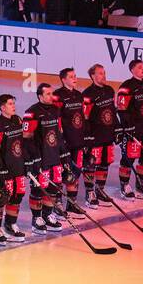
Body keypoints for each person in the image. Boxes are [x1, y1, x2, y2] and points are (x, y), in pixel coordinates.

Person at [0, 93, 28, 245]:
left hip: (18, 166)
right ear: (3, 107)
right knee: (1, 197)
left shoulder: (17, 120)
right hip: (4, 169)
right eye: (10, 104)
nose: (13, 106)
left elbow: (22, 144)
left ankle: (10, 224)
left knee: (18, 195)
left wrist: (27, 162)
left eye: (13, 103)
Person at [22, 83, 64, 233]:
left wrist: (63, 153)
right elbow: (26, 138)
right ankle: (36, 219)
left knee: (53, 187)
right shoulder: (31, 113)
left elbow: (58, 133)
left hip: (54, 156)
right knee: (39, 189)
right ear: (40, 96)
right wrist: (32, 159)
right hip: (40, 158)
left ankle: (47, 215)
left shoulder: (55, 110)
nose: (51, 96)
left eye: (52, 93)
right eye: (48, 94)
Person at [115, 59, 143, 199]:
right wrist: (127, 126)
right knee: (128, 158)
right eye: (140, 67)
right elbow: (122, 110)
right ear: (132, 70)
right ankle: (124, 185)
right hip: (133, 129)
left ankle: (141, 183)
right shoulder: (126, 87)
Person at [53, 68, 90, 211]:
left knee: (76, 172)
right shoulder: (57, 96)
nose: (75, 78)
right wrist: (61, 140)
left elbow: (82, 118)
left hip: (78, 141)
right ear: (63, 79)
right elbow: (56, 120)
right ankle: (57, 202)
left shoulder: (79, 95)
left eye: (75, 76)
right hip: (65, 142)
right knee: (63, 172)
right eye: (71, 76)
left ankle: (72, 202)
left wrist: (85, 137)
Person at [83, 64, 119, 206]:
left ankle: (100, 190)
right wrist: (87, 137)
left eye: (104, 73)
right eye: (100, 73)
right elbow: (85, 118)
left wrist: (117, 129)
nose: (103, 76)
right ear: (93, 76)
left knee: (105, 163)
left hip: (108, 134)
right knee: (91, 165)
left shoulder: (110, 90)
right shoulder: (87, 94)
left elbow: (113, 111)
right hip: (95, 136)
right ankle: (90, 192)